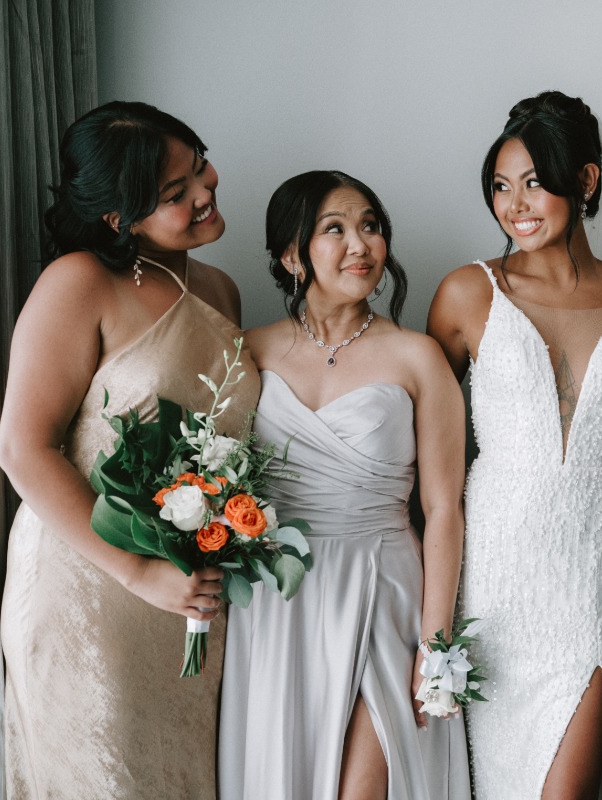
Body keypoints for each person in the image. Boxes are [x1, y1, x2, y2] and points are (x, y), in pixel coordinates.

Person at [0, 101, 258, 798]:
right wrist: (139, 576)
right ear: (120, 219)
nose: (204, 191)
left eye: (198, 164)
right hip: (89, 591)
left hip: (191, 596)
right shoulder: (78, 283)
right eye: (175, 194)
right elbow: (22, 449)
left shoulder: (219, 289)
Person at [427, 90, 602, 798]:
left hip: (596, 571)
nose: (515, 203)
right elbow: (425, 444)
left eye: (533, 181)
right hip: (497, 576)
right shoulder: (468, 294)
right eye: (501, 186)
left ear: (585, 182)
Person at [218, 171, 469, 800]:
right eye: (335, 229)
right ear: (291, 255)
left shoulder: (417, 356)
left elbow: (443, 508)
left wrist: (435, 644)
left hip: (383, 588)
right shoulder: (249, 352)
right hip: (278, 596)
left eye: (370, 226)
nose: (361, 244)